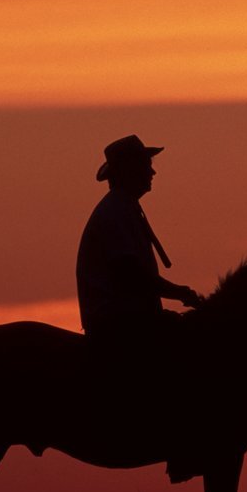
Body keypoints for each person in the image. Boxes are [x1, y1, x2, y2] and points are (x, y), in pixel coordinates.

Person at [76, 135, 202, 350]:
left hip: (125, 319)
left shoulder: (121, 207)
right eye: (146, 165)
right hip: (118, 325)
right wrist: (178, 292)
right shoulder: (117, 211)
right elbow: (131, 275)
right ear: (130, 170)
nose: (152, 172)